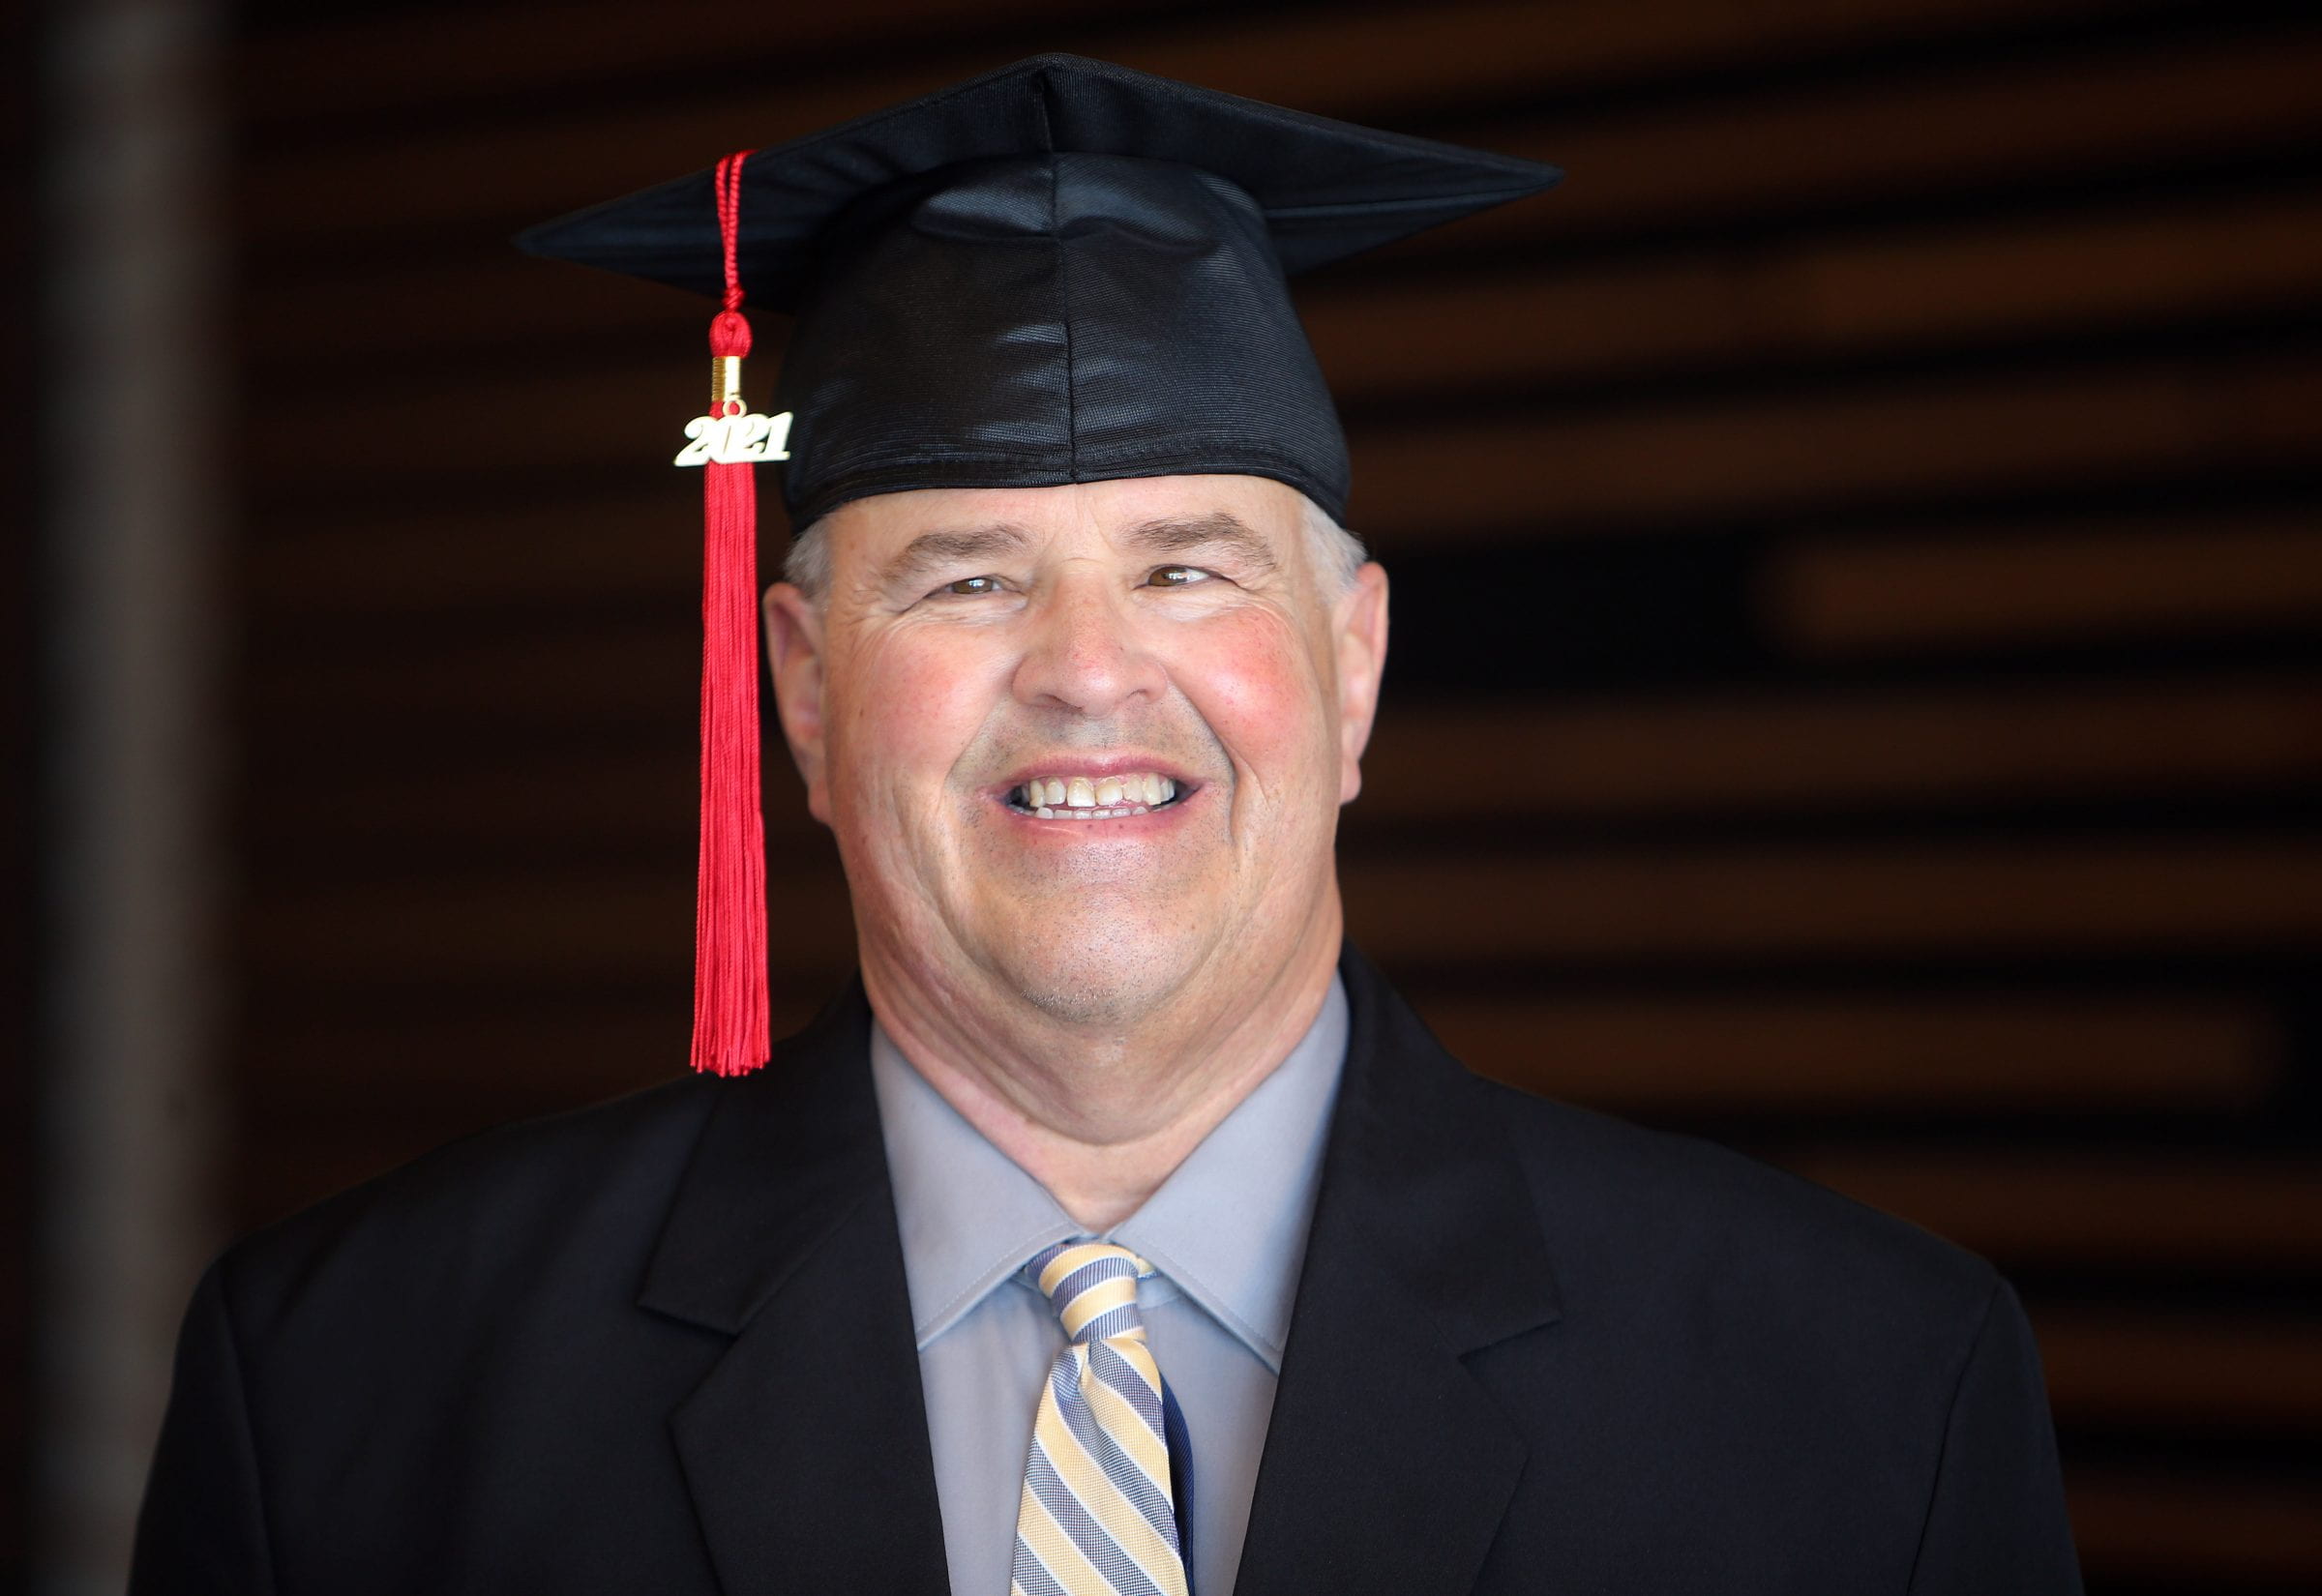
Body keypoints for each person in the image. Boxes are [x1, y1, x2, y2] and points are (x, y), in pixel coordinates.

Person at [131, 55, 2081, 1595]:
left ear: (1356, 672)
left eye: (1185, 569)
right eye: (967, 579)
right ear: (800, 690)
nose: (1084, 672)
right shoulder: (354, 1392)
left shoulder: (1864, 1398)